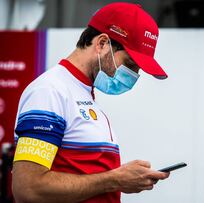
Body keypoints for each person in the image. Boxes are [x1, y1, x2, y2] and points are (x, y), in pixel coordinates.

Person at [11, 2, 169, 203]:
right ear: (102, 43)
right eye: (130, 64)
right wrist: (115, 180)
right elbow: (28, 188)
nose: (133, 75)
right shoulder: (50, 91)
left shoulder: (81, 92)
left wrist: (121, 181)